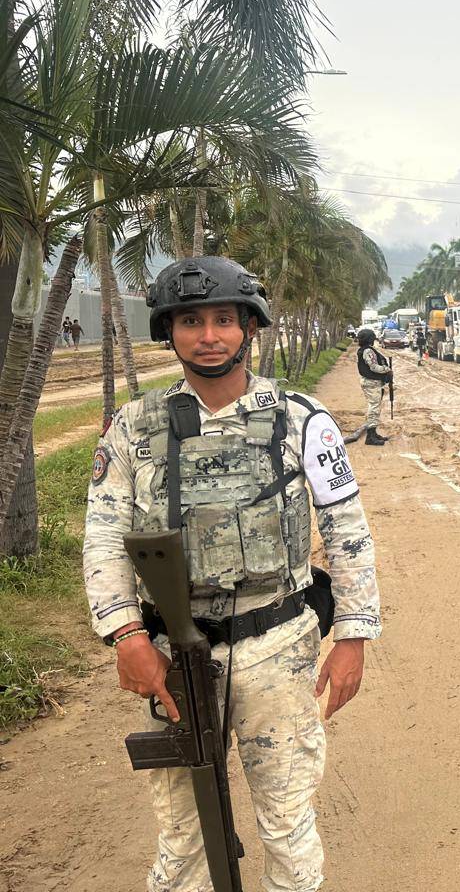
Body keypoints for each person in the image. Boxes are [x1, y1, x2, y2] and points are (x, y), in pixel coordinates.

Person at [83, 255, 381, 892]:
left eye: (224, 319)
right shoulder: (134, 428)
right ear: (170, 332)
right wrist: (127, 635)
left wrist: (353, 634)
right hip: (171, 653)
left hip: (277, 645)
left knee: (287, 822)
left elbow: (347, 529)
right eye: (191, 321)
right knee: (183, 835)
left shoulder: (301, 421)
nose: (209, 335)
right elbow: (105, 533)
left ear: (249, 327)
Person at [355, 328, 392, 445]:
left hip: (373, 382)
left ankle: (373, 433)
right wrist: (387, 369)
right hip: (371, 382)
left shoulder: (366, 350)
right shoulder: (367, 351)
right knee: (374, 408)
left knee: (375, 407)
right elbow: (374, 367)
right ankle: (370, 436)